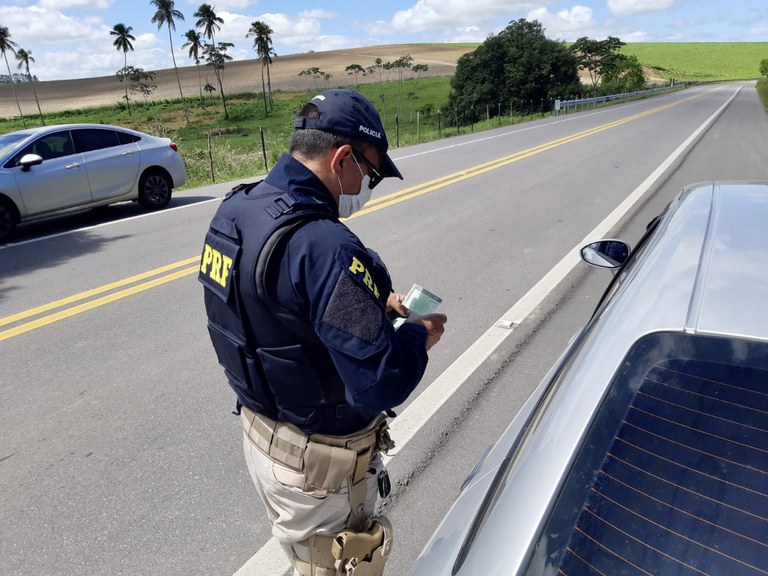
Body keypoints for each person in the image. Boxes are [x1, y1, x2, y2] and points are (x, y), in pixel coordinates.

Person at [199, 89, 447, 576]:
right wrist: (418, 335)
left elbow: (273, 308)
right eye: (371, 173)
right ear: (342, 159)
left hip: (264, 435)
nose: (369, 185)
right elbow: (381, 381)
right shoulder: (322, 244)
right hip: (319, 470)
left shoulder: (237, 210)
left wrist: (373, 304)